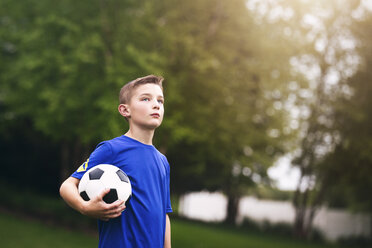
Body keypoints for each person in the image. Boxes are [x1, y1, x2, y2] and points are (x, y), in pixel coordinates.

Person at [59, 75, 172, 248]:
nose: (156, 104)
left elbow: (163, 214)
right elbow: (67, 186)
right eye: (146, 99)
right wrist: (85, 207)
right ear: (125, 110)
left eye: (160, 100)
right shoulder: (112, 149)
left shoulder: (162, 162)